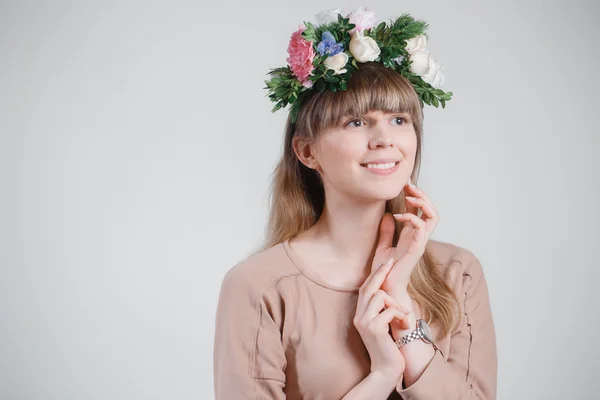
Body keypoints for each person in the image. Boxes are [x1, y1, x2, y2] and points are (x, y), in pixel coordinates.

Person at [213, 6, 497, 399]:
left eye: (399, 120)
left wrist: (406, 324)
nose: (385, 139)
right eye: (356, 122)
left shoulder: (457, 273)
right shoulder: (259, 287)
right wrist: (381, 376)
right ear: (307, 151)